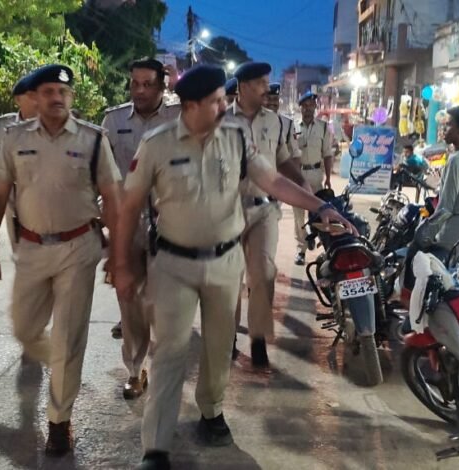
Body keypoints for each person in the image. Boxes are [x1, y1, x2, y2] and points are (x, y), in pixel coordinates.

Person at [112, 64, 356, 470]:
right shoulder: (156, 144)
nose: (224, 107)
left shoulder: (236, 137)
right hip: (173, 264)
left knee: (218, 345)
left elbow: (272, 181)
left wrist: (320, 206)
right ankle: (155, 448)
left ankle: (211, 411)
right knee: (170, 350)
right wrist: (121, 263)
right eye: (215, 102)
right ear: (191, 106)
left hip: (225, 262)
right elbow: (130, 206)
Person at [0, 64, 122, 455]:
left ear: (71, 97)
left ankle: (59, 420)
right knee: (25, 329)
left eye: (63, 91)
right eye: (48, 92)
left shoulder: (93, 139)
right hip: (31, 247)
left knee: (69, 334)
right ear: (35, 98)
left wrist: (119, 253)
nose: (56, 98)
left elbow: (112, 197)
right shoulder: (14, 137)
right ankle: (63, 363)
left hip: (79, 247)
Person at [101, 58, 180, 400]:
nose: (140, 90)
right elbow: (101, 173)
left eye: (148, 84)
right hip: (127, 223)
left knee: (162, 301)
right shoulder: (113, 120)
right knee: (129, 300)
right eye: (135, 83)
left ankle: (166, 364)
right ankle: (135, 370)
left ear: (162, 85)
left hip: (169, 223)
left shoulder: (178, 118)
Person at [225, 61, 309, 367]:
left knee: (263, 273)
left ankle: (258, 338)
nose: (266, 89)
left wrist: (304, 188)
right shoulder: (221, 120)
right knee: (229, 278)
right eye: (261, 83)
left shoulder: (275, 122)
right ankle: (228, 338)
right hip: (228, 211)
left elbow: (283, 160)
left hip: (264, 209)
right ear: (244, 86)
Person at [403, 106, 459, 290]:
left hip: (452, 240)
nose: (443, 129)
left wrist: (423, 234)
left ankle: (409, 302)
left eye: (448, 125)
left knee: (413, 254)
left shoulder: (456, 161)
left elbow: (445, 209)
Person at [0, 74, 37, 252]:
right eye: (31, 95)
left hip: (43, 199)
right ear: (18, 100)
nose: (36, 100)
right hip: (13, 202)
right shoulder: (1, 127)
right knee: (21, 253)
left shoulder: (50, 125)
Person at [294, 91, 335, 266]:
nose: (308, 109)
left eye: (311, 105)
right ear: (300, 108)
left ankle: (322, 244)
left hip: (316, 175)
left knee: (319, 212)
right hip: (298, 175)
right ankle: (301, 250)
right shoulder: (292, 127)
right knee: (298, 216)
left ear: (315, 107)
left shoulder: (323, 127)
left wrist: (328, 178)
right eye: (305, 106)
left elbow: (327, 154)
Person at [264, 82, 300, 163]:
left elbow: (295, 154)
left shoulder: (288, 123)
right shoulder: (256, 122)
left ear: (279, 101)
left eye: (275, 99)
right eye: (269, 99)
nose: (272, 102)